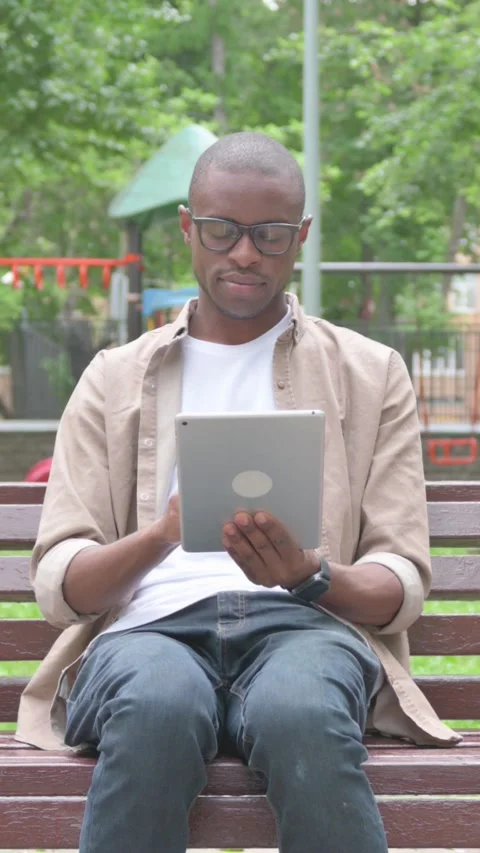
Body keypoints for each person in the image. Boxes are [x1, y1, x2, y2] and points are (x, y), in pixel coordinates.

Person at [17, 132, 460, 853]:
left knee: (301, 709)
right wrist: (163, 534)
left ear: (301, 236)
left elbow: (399, 583)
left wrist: (309, 574)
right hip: (149, 633)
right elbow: (63, 584)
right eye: (222, 230)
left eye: (270, 234)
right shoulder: (114, 376)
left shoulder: (370, 372)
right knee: (156, 702)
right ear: (188, 227)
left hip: (304, 629)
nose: (246, 253)